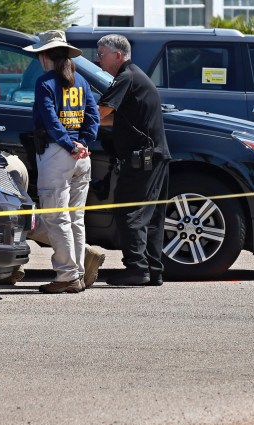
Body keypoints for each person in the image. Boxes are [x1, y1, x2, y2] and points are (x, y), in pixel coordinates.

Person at [22, 30, 99, 294]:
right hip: (82, 157)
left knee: (57, 218)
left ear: (45, 57)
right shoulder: (81, 81)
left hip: (57, 154)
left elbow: (51, 121)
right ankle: (76, 273)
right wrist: (84, 143)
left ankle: (67, 275)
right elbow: (93, 115)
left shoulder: (45, 82)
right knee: (76, 218)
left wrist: (69, 144)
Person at [96, 34, 171, 286]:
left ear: (118, 55)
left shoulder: (125, 76)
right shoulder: (135, 75)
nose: (98, 58)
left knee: (129, 211)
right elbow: (117, 119)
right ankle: (153, 270)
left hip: (142, 158)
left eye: (102, 53)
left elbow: (102, 111)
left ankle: (137, 269)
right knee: (151, 217)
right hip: (155, 157)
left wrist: (73, 118)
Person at [0, 153, 107, 289]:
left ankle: (74, 267)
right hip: (10, 162)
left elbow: (55, 131)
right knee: (69, 218)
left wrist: (71, 146)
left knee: (31, 218)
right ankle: (12, 268)